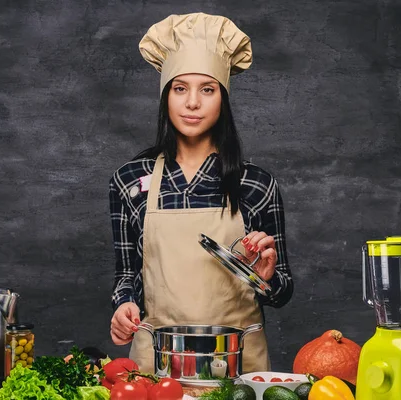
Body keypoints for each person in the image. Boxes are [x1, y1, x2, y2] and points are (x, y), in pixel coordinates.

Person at [108, 12, 293, 374]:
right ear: (166, 96)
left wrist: (266, 277)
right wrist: (122, 306)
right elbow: (127, 275)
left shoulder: (256, 184)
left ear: (222, 97)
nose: (192, 102)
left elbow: (282, 292)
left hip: (236, 367)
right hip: (156, 368)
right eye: (180, 88)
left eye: (206, 89)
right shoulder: (130, 180)